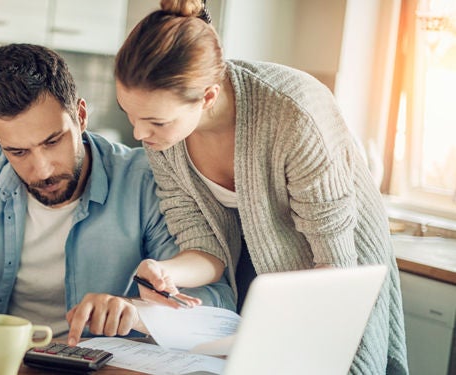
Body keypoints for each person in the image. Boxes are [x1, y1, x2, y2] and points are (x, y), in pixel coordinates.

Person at [0, 43, 234, 346]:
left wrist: (136, 311)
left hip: (93, 359)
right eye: (18, 152)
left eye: (53, 141)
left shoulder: (145, 180)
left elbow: (216, 302)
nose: (43, 169)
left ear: (80, 116)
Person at [113, 0, 408, 374]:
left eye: (154, 120)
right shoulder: (165, 141)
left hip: (336, 270)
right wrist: (166, 271)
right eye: (130, 115)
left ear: (207, 97)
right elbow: (205, 248)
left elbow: (334, 267)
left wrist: (278, 327)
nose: (140, 133)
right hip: (261, 278)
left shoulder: (295, 113)